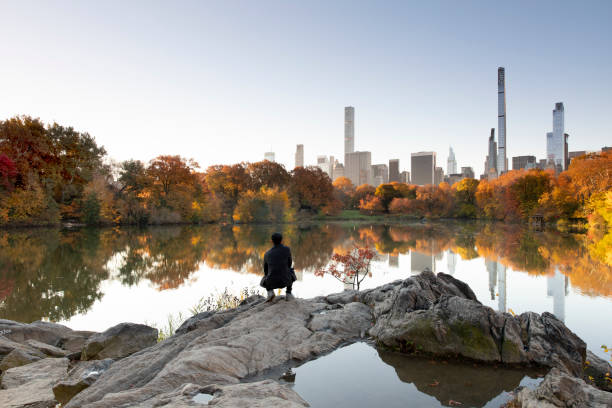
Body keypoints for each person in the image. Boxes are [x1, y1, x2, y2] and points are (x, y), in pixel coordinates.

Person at [262, 232, 295, 301]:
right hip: (286, 280)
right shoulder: (287, 249)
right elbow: (289, 264)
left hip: (271, 282)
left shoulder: (267, 253)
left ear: (272, 241)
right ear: (281, 240)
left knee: (265, 277)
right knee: (291, 270)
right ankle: (288, 293)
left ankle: (270, 292)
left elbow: (265, 270)